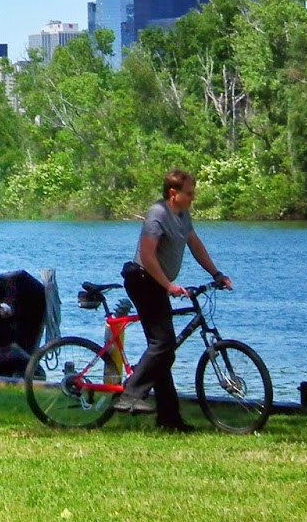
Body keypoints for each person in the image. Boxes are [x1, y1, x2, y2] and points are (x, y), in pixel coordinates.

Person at [116, 169, 232, 432]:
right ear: (173, 193)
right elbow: (147, 255)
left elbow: (195, 244)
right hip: (142, 279)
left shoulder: (182, 215)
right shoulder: (157, 214)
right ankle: (130, 395)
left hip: (155, 283)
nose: (193, 198)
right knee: (163, 343)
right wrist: (168, 285)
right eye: (189, 193)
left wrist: (216, 274)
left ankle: (169, 419)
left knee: (164, 352)